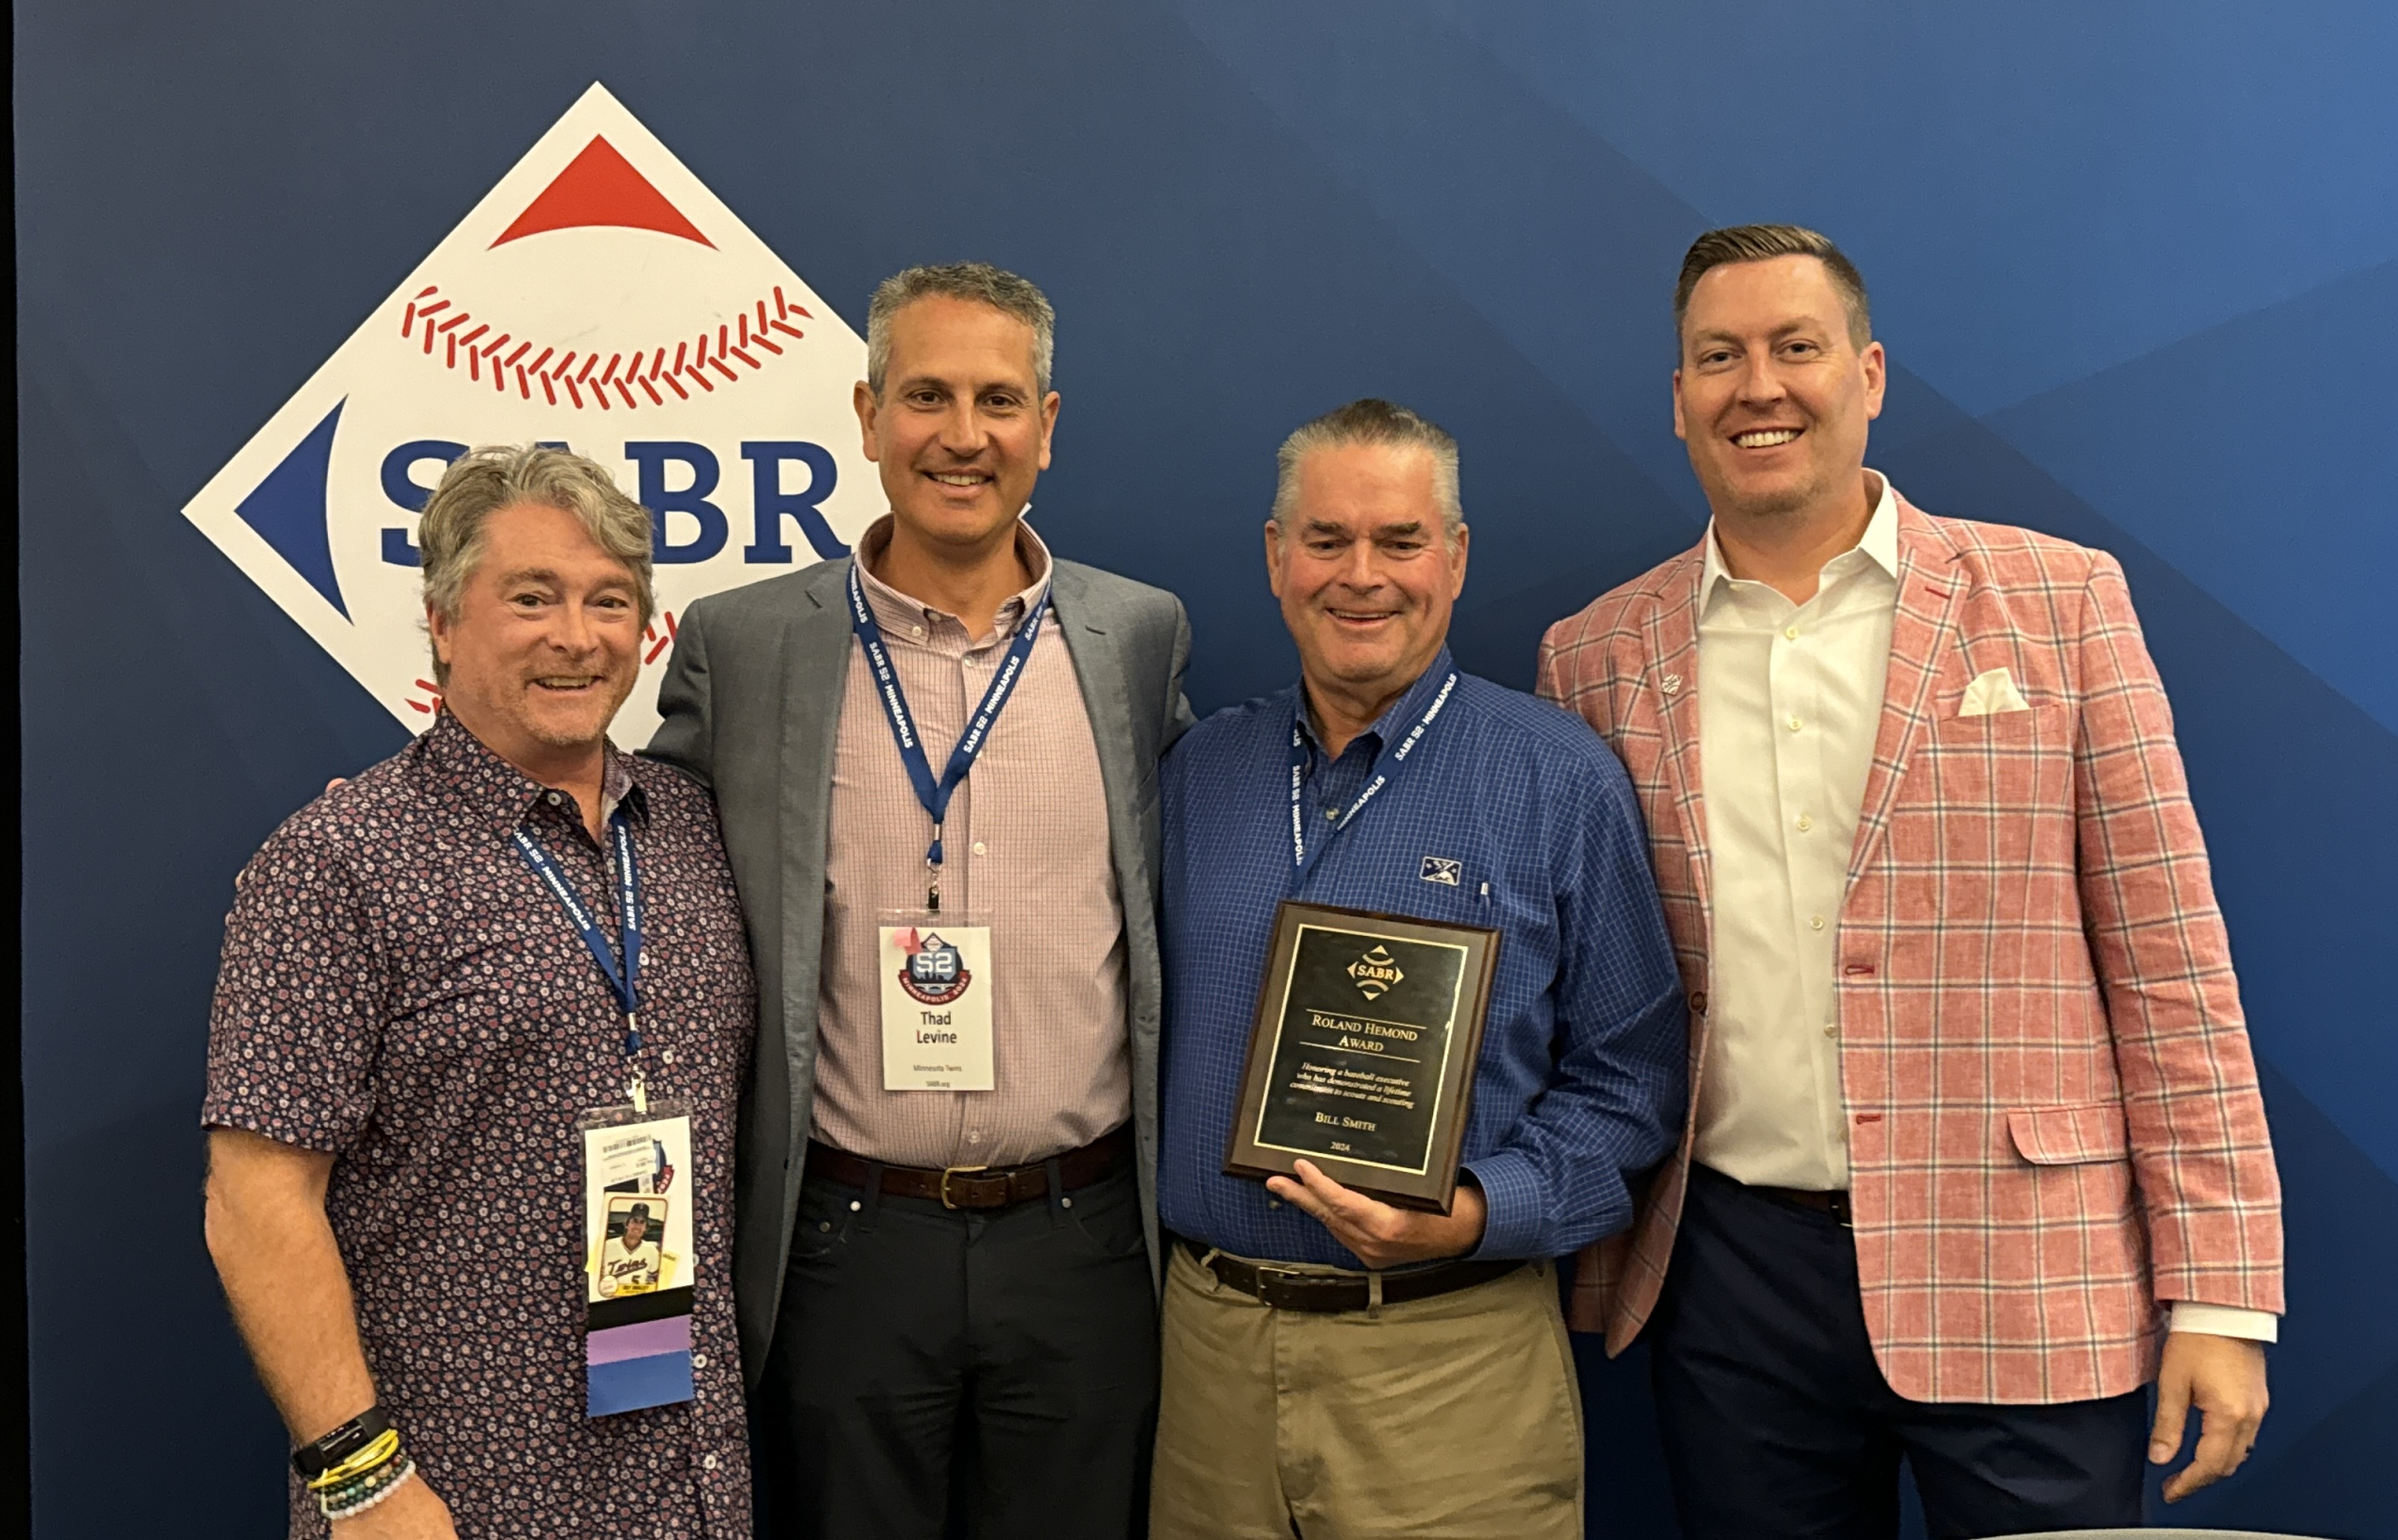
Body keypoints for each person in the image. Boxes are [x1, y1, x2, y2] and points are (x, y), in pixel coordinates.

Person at [1537, 223, 2283, 1537]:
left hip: (2027, 1275)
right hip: (1730, 1283)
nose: (1755, 385)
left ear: (1869, 374)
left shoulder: (2060, 602)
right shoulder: (1594, 656)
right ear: (1676, 401)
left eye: (1795, 348)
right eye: (1718, 356)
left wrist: (2219, 1295)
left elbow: (2170, 962)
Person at [646, 261, 1192, 1539]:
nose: (963, 435)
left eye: (999, 400)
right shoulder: (746, 644)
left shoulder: (1139, 636)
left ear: (1047, 429)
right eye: (926, 396)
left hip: (1084, 1239)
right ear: (868, 414)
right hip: (846, 1242)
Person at [1149, 398, 1686, 1539]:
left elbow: (1631, 1084)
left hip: (1449, 1355)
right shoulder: (1199, 772)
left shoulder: (1557, 779)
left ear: (1454, 556)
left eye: (1399, 542)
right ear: (1274, 556)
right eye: (1326, 540)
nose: (1362, 577)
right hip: (1209, 1356)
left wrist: (1479, 1210)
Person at [203, 445, 757, 1537]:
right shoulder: (337, 862)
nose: (575, 636)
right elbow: (254, 1203)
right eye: (531, 598)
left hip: (684, 1475)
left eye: (610, 601)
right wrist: (363, 1481)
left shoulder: (692, 830)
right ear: (444, 622)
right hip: (447, 1492)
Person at [601, 1206, 665, 1296]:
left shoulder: (651, 1250)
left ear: (645, 1228)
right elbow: (593, 1275)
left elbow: (655, 1278)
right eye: (634, 1221)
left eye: (642, 1222)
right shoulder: (606, 1245)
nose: (637, 1226)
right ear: (627, 1224)